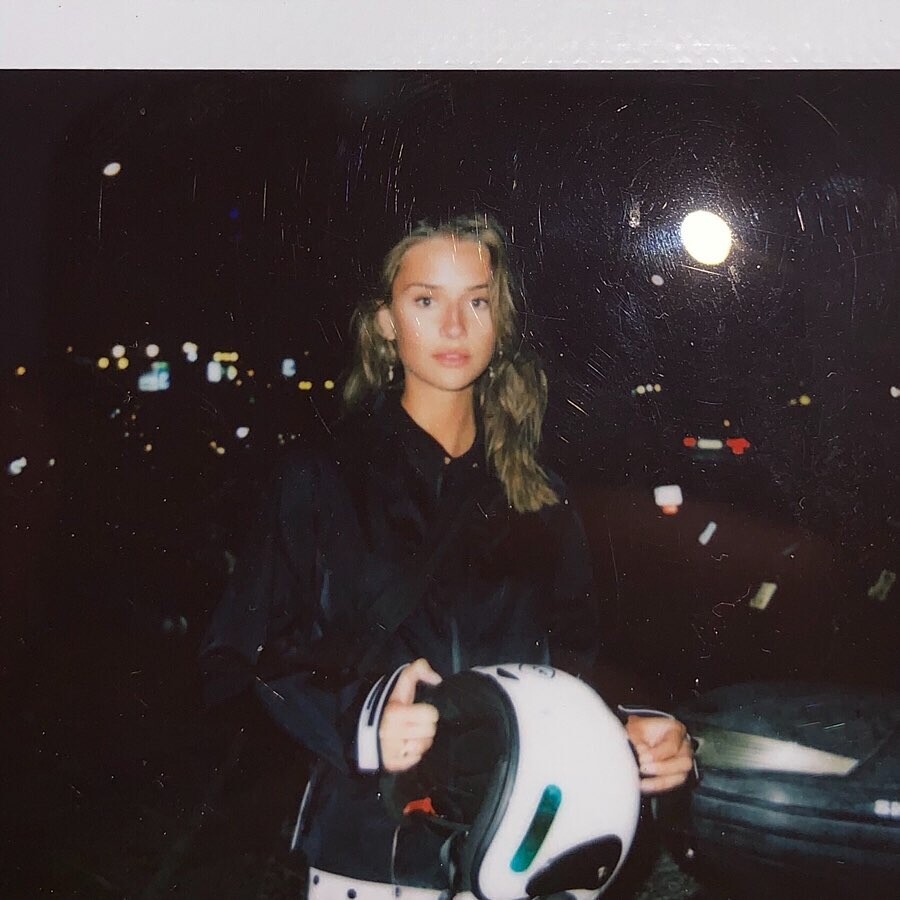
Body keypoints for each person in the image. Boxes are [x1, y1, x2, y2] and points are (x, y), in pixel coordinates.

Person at [199, 214, 694, 896]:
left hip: (526, 844)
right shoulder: (321, 477)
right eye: (426, 300)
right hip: (374, 857)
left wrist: (639, 728)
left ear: (502, 322)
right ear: (385, 322)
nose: (455, 327)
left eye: (478, 302)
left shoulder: (541, 494)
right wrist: (362, 719)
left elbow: (577, 663)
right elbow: (239, 656)